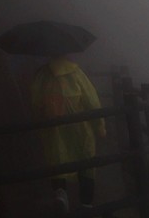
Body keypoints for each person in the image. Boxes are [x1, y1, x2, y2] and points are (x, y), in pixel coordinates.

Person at [31, 57, 106, 214]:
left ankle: (60, 194)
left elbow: (36, 102)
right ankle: (86, 204)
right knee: (86, 164)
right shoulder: (76, 73)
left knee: (57, 159)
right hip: (80, 128)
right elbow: (91, 101)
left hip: (55, 129)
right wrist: (100, 126)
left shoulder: (42, 75)